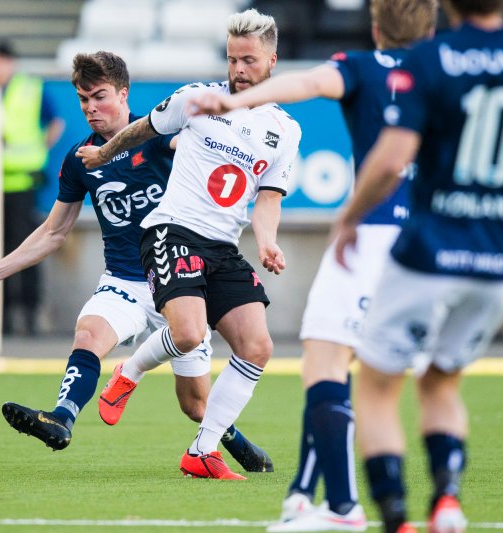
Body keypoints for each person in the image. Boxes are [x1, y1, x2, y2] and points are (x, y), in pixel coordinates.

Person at [0, 51, 272, 473]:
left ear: (123, 93)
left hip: (181, 279)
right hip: (126, 279)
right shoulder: (80, 159)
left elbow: (204, 149)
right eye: (83, 100)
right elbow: (53, 231)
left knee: (196, 404)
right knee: (89, 333)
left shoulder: (161, 137)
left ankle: (233, 442)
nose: (90, 109)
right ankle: (61, 418)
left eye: (99, 97)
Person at [189, 0, 437, 527]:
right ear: (431, 27)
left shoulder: (362, 67)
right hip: (431, 249)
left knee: (324, 365)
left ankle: (344, 506)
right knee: (389, 377)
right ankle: (309, 495)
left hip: (372, 238)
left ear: (375, 27)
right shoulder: (443, 75)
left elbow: (304, 86)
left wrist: (238, 102)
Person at [330, 0, 503, 532]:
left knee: (376, 387)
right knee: (442, 384)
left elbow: (393, 160)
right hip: (495, 260)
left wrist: (349, 218)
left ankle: (397, 518)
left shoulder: (430, 58)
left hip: (428, 253)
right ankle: (446, 502)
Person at [78, 9, 301, 480]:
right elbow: (145, 129)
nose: (238, 70)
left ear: (272, 61)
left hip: (223, 246)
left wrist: (267, 242)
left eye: (249, 60)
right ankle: (128, 374)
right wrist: (103, 152)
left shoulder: (284, 130)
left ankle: (202, 451)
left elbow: (268, 199)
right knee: (188, 335)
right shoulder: (197, 98)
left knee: (257, 345)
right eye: (232, 59)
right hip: (172, 230)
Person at [0, 38, 64, 335]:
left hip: (21, 183)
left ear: (10, 63)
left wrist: (37, 151)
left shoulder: (31, 88)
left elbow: (55, 122)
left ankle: (30, 314)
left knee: (26, 247)